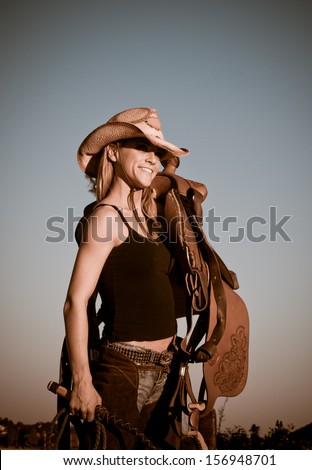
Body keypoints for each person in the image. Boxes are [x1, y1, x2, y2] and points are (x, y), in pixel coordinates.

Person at [63, 107, 189, 449]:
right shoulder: (106, 217)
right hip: (124, 369)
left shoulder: (151, 221)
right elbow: (76, 302)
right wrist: (82, 381)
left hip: (168, 370)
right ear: (114, 152)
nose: (153, 159)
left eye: (158, 152)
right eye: (143, 147)